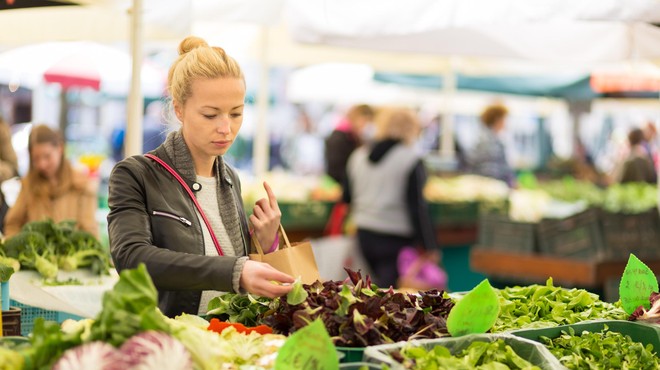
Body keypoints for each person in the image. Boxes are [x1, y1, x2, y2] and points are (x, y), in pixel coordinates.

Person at [107, 36, 294, 318]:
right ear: (179, 109)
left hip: (229, 340)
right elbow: (132, 258)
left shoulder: (229, 178)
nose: (226, 128)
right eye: (210, 115)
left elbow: (238, 275)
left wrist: (265, 243)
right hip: (170, 341)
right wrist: (234, 271)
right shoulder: (136, 175)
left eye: (236, 113)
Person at [343, 108, 438, 288]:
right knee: (392, 296)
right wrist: (429, 246)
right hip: (396, 239)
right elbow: (417, 207)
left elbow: (347, 197)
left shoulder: (357, 156)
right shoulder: (411, 159)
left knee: (368, 291)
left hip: (363, 234)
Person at [4, 124, 98, 237]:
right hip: (36, 254)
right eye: (36, 159)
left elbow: (90, 232)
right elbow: (12, 224)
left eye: (47, 156)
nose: (42, 164)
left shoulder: (82, 185)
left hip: (72, 253)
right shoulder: (28, 184)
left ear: (60, 149)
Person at [324, 104, 375, 185]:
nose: (365, 126)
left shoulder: (353, 137)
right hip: (337, 187)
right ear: (356, 117)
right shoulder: (339, 138)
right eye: (365, 121)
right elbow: (336, 170)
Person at [467, 104, 516, 186]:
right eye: (504, 119)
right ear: (497, 119)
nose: (506, 123)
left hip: (483, 187)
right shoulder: (489, 142)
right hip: (490, 188)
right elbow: (491, 170)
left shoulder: (480, 138)